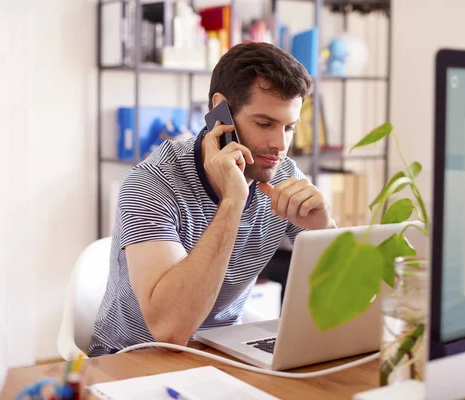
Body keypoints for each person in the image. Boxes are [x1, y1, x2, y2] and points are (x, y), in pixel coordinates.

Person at [88, 42, 337, 356]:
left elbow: (349, 302)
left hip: (223, 354)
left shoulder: (284, 174)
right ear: (221, 112)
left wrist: (324, 230)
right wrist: (233, 201)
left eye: (289, 127)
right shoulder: (151, 183)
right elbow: (170, 330)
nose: (280, 144)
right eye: (264, 124)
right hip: (130, 358)